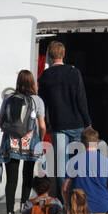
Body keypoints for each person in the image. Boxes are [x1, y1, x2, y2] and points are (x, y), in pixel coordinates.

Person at [37, 40, 92, 191]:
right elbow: (81, 99)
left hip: (58, 125)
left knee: (62, 166)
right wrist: (87, 122)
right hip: (77, 124)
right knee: (80, 163)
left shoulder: (45, 77)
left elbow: (43, 104)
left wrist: (47, 123)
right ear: (63, 54)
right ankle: (80, 197)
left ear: (49, 56)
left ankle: (66, 201)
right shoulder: (74, 73)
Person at [0, 69, 47, 214]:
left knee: (11, 180)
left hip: (10, 142)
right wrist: (40, 139)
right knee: (27, 177)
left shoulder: (8, 98)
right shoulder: (37, 100)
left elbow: (0, 121)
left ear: (18, 82)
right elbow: (42, 126)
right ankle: (25, 213)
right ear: (32, 82)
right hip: (29, 144)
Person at [62, 126, 108, 214]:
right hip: (101, 207)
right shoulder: (107, 162)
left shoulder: (74, 162)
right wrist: (107, 194)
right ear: (97, 142)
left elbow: (65, 189)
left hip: (80, 209)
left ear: (82, 143)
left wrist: (68, 204)